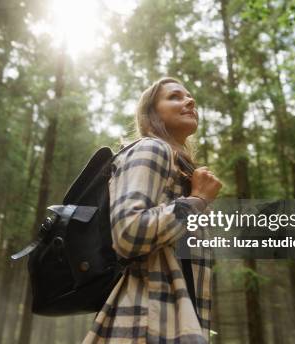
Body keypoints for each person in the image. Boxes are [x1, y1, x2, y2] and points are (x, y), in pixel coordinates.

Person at [83, 77, 222, 343]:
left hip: (168, 321)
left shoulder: (178, 168)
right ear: (150, 114)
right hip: (146, 322)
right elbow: (129, 231)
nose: (190, 101)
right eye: (175, 97)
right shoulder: (152, 148)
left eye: (190, 97)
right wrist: (198, 200)